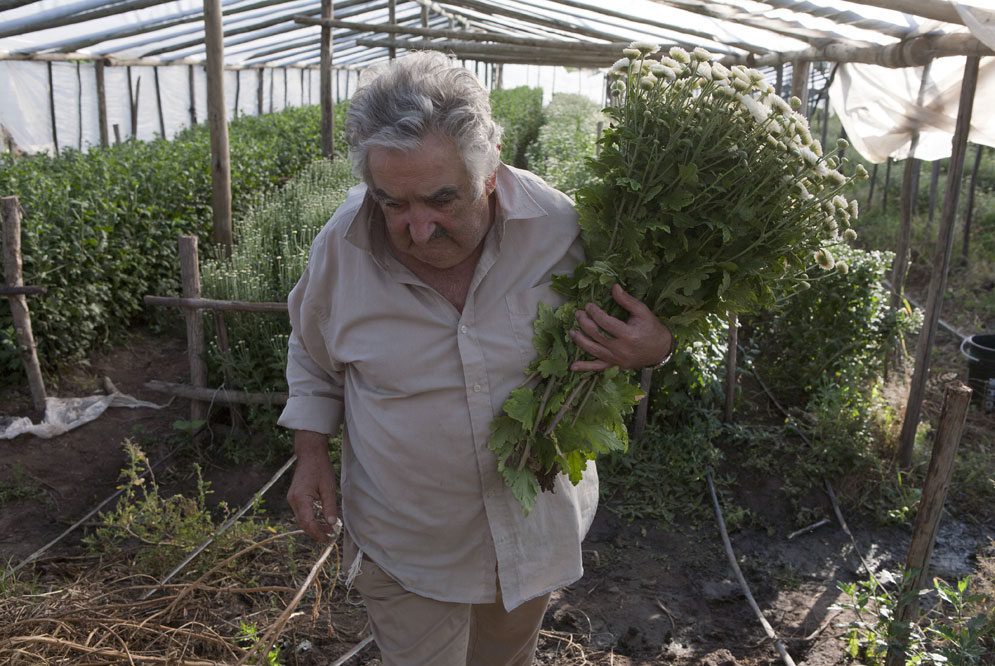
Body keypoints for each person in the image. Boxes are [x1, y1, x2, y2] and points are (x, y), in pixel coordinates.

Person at [278, 51, 672, 666]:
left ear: (489, 172)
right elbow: (311, 349)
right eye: (393, 203)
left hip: (531, 523)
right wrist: (309, 454)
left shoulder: (563, 231)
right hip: (408, 539)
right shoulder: (342, 250)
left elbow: (647, 324)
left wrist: (655, 347)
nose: (419, 229)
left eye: (441, 200)